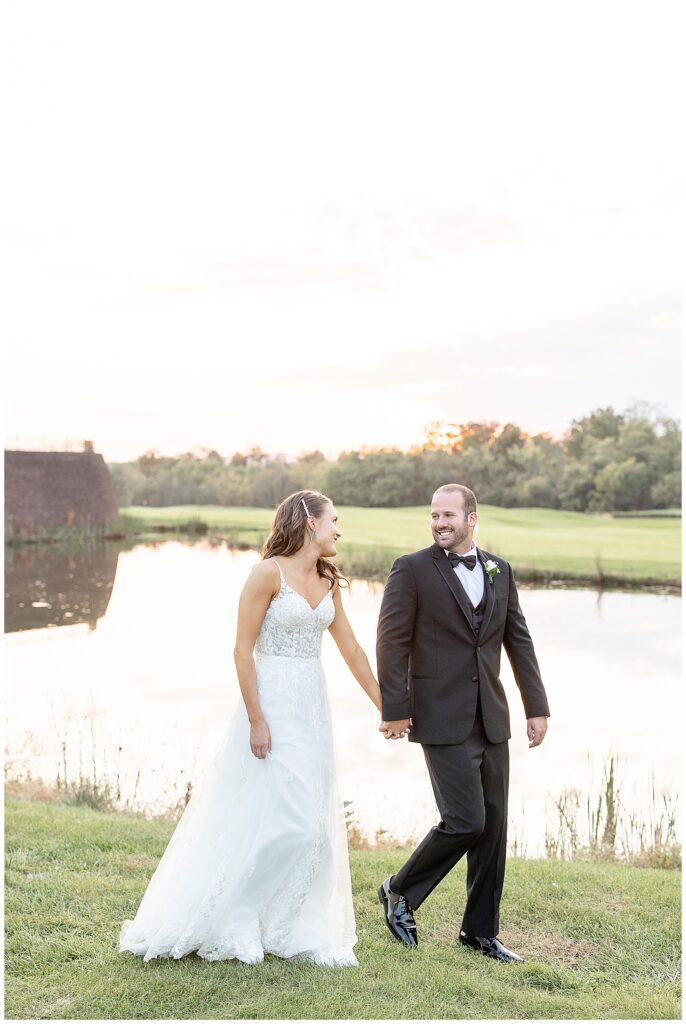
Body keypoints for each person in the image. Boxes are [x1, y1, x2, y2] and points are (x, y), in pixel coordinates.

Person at [120, 490, 382, 967]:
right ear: (309, 523)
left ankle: (292, 924)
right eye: (333, 521)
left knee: (315, 827)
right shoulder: (266, 574)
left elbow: (352, 650)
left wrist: (386, 706)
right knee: (292, 821)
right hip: (273, 703)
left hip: (313, 706)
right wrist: (257, 719)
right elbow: (242, 651)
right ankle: (238, 914)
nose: (339, 530)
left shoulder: (328, 579)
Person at [376, 483, 550, 963]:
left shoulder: (500, 569)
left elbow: (520, 641)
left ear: (472, 517)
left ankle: (479, 932)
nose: (439, 523)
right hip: (440, 716)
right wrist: (395, 708)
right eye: (434, 516)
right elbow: (391, 644)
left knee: (493, 827)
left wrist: (536, 706)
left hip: (491, 717)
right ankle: (400, 889)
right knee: (465, 820)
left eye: (448, 515)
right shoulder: (411, 570)